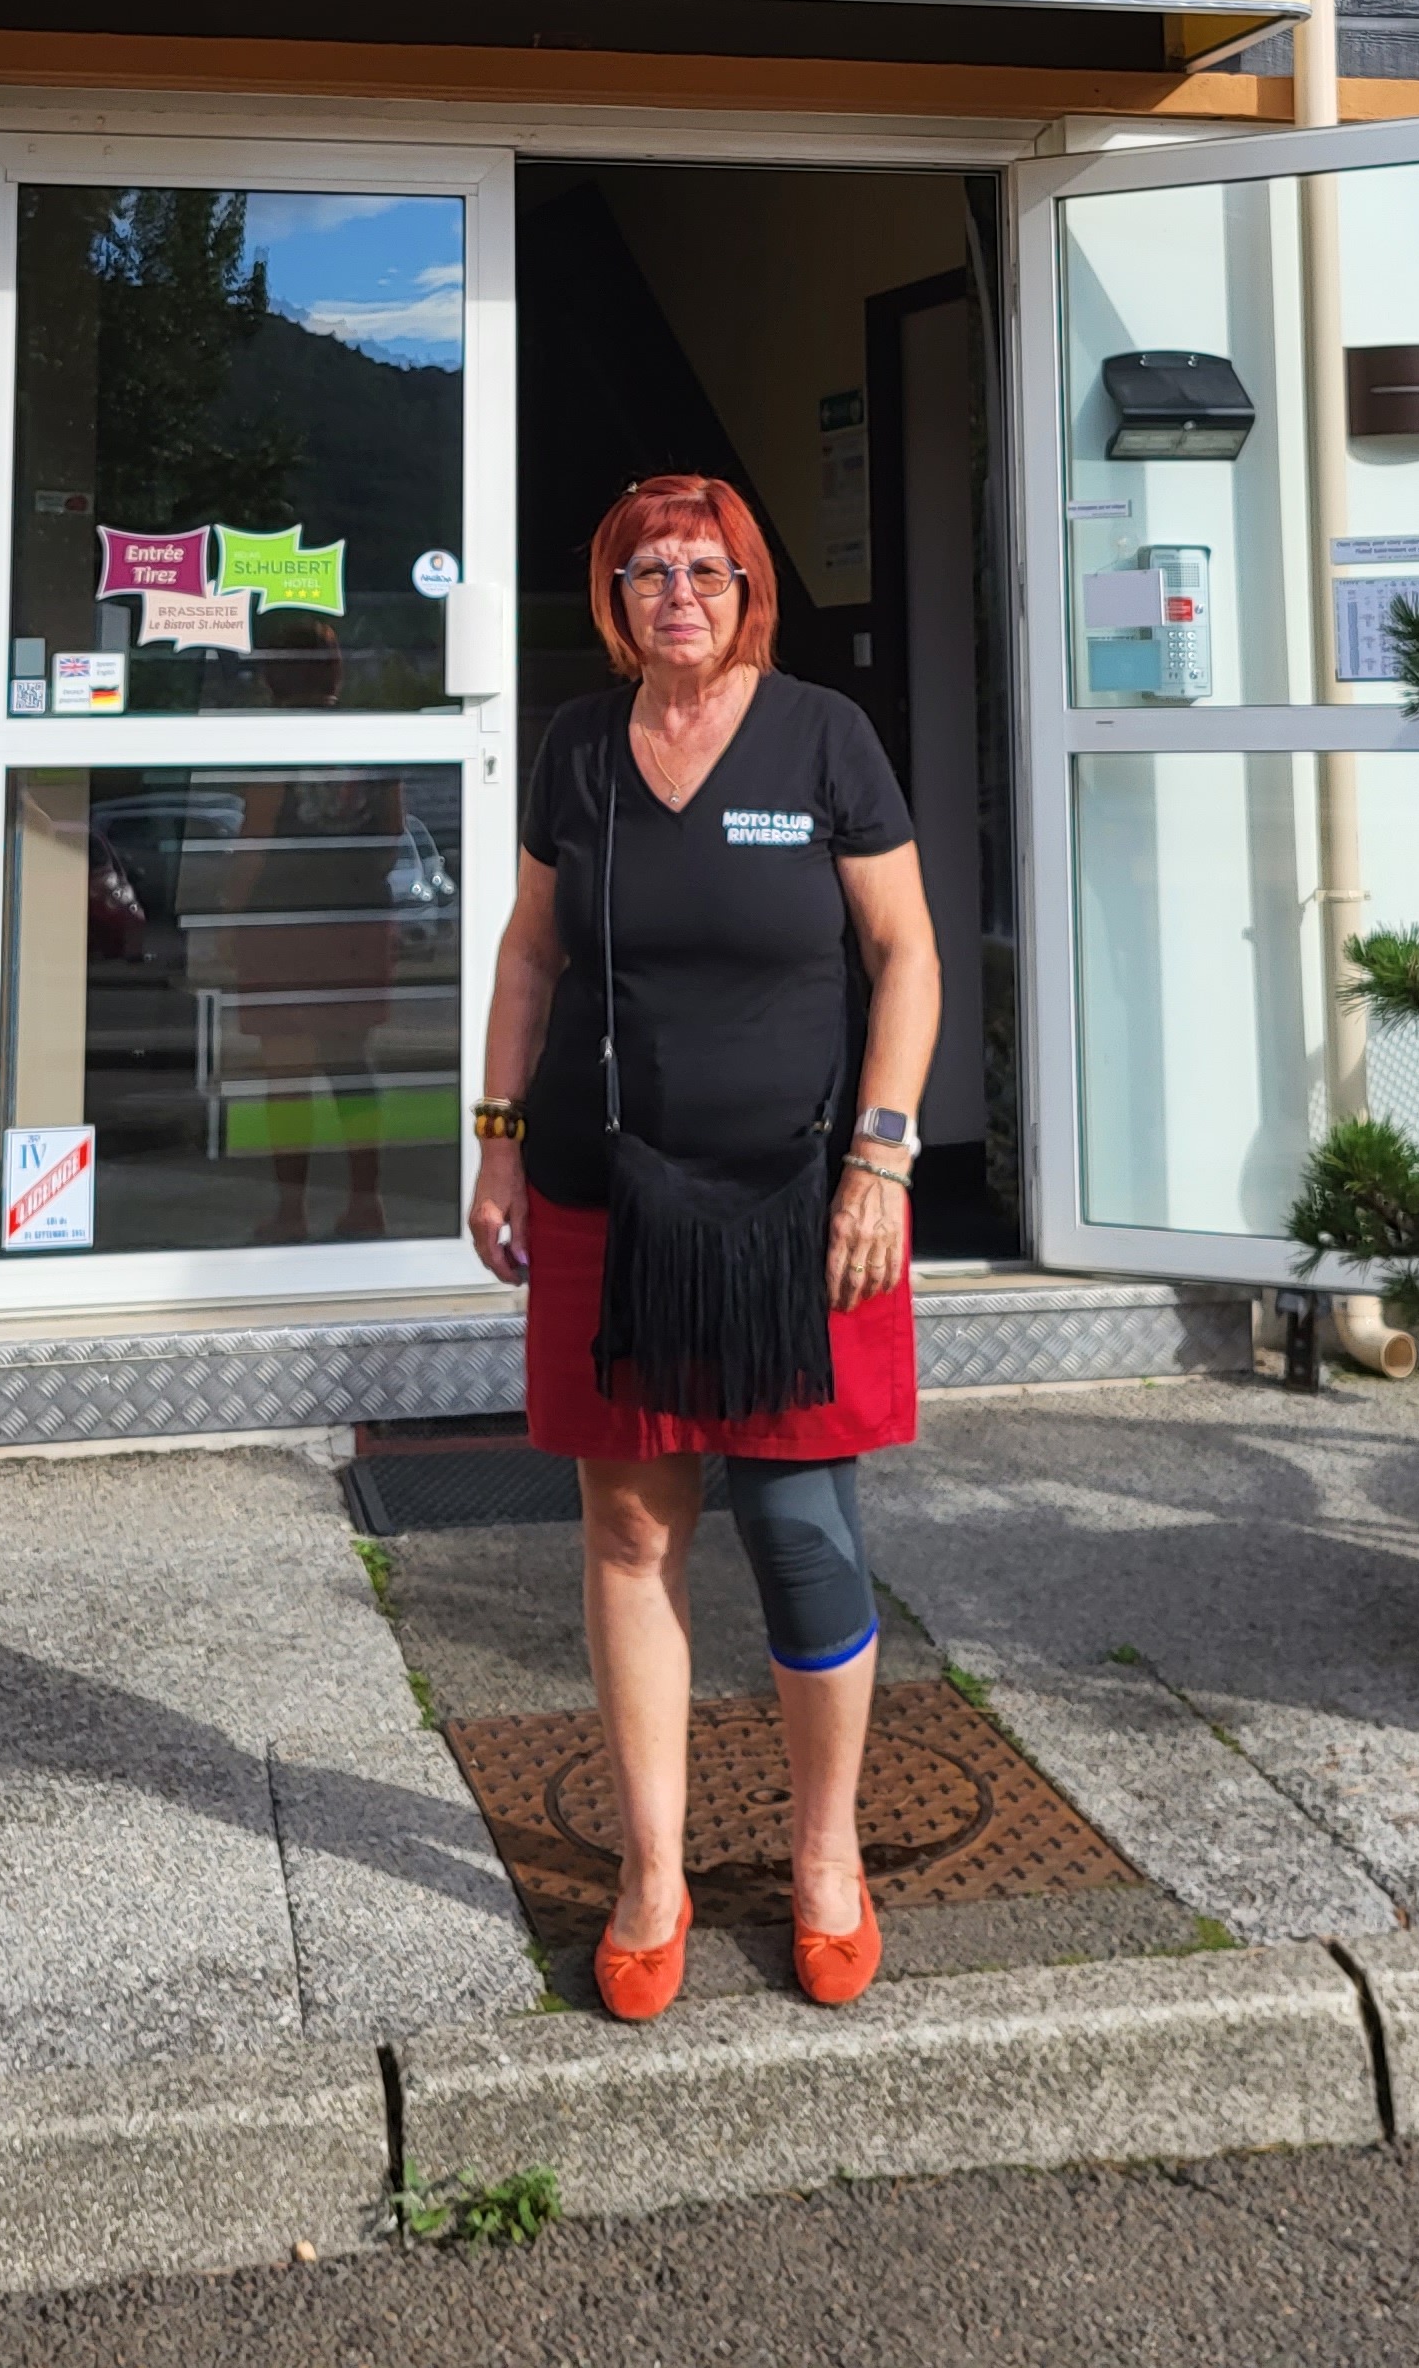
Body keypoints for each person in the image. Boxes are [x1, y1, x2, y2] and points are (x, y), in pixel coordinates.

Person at [470, 474, 941, 2021]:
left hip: (806, 1203)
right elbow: (531, 953)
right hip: (611, 1196)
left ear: (751, 591)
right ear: (614, 601)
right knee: (628, 1530)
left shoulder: (824, 739)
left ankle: (826, 1857)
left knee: (802, 1531)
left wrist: (882, 1156)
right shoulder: (577, 748)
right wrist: (497, 1141)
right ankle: (653, 1872)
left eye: (708, 569)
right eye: (648, 571)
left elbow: (904, 954)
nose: (680, 593)